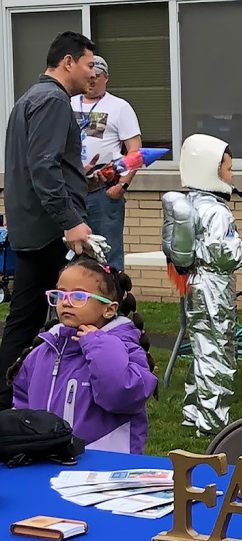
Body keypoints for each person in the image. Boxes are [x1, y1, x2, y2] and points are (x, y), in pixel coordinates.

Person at [0, 31, 96, 410]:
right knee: (81, 307)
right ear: (68, 62)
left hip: (30, 226)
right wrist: (70, 221)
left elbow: (38, 164)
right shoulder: (53, 101)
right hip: (49, 230)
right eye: (89, 64)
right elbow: (42, 167)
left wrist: (84, 176)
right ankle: (75, 392)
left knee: (25, 317)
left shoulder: (29, 98)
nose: (93, 73)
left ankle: (13, 396)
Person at [161, 134, 242, 436]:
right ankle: (213, 422)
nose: (231, 176)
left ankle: (192, 412)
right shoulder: (217, 210)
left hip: (193, 284)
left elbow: (207, 246)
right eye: (228, 169)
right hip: (214, 287)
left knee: (200, 347)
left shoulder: (192, 204)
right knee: (218, 351)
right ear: (212, 170)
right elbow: (224, 255)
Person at [7, 257, 157, 453]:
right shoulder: (44, 350)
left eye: (78, 296)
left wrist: (97, 344)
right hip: (47, 460)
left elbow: (122, 395)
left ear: (109, 309)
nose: (65, 303)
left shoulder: (124, 347)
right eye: (60, 294)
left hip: (105, 468)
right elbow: (22, 400)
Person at [74, 55, 142, 271]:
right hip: (72, 189)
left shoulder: (119, 107)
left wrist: (122, 185)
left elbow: (134, 150)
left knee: (107, 252)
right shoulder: (67, 102)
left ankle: (113, 299)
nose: (92, 80)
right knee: (73, 251)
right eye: (89, 75)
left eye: (98, 76)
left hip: (103, 188)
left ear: (106, 78)